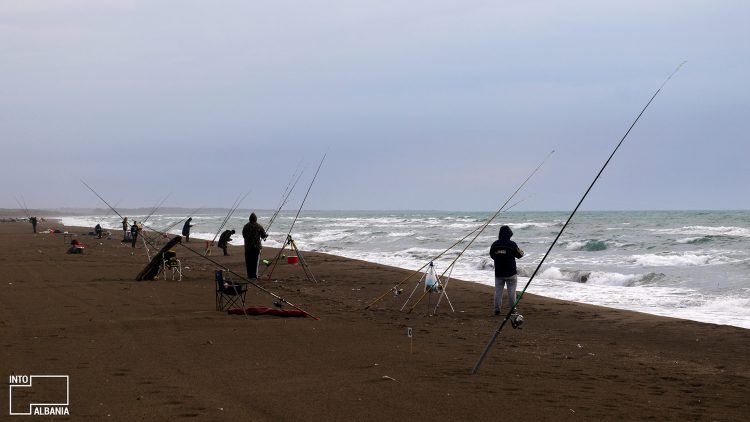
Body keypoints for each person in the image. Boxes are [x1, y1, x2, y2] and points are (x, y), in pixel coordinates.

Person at [489, 225, 524, 316]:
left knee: (498, 291)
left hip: (499, 272)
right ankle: (513, 309)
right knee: (512, 292)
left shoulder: (495, 245)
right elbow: (520, 255)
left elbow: (492, 256)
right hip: (511, 272)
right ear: (509, 234)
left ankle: (497, 309)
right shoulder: (512, 244)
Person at [242, 213, 267, 279]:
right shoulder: (259, 226)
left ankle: (249, 275)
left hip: (247, 247)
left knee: (248, 261)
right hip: (256, 247)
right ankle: (254, 275)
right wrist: (266, 235)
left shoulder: (245, 226)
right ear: (256, 219)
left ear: (249, 219)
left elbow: (244, 235)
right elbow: (263, 235)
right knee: (256, 261)